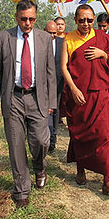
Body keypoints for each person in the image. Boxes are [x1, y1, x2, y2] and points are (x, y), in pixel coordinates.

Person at [0, 0, 57, 208]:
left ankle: (39, 166)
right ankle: (21, 190)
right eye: (24, 19)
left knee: (41, 141)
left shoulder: (45, 38)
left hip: (38, 99)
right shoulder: (4, 37)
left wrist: (51, 101)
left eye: (32, 19)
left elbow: (51, 74)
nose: (28, 23)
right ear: (17, 17)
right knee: (16, 146)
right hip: (14, 98)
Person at [61, 3, 109, 194]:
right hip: (80, 96)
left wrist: (103, 54)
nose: (87, 24)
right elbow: (64, 67)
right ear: (75, 20)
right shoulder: (69, 39)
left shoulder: (102, 38)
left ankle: (107, 179)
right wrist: (73, 89)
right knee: (81, 135)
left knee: (106, 134)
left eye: (90, 20)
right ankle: (81, 168)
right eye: (82, 20)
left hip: (101, 95)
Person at [44, 20, 65, 155]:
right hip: (42, 84)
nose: (52, 36)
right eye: (49, 33)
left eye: (54, 33)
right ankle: (45, 138)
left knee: (55, 111)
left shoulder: (62, 44)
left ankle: (53, 139)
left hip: (57, 84)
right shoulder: (38, 43)